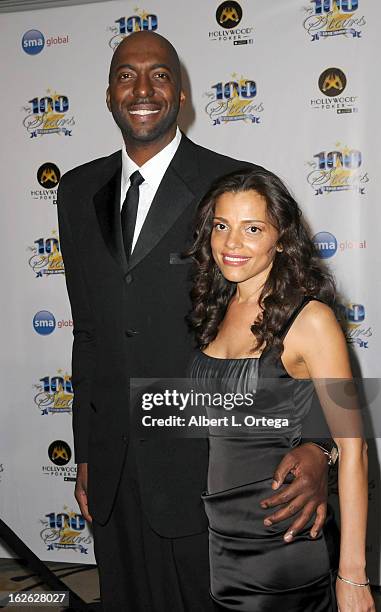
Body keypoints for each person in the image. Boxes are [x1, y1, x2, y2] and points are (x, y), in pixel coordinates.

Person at [57, 31, 337, 611]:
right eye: (126, 75)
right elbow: (88, 331)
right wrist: (87, 451)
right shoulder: (77, 190)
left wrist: (317, 445)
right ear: (109, 93)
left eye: (159, 74)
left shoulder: (231, 184)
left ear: (180, 93)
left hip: (209, 464)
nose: (142, 89)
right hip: (113, 467)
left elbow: (295, 316)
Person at [187, 167, 374, 611]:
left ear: (281, 237)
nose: (232, 244)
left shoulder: (310, 320)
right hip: (222, 540)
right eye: (221, 226)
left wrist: (353, 575)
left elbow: (355, 449)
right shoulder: (216, 305)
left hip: (282, 539)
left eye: (252, 229)